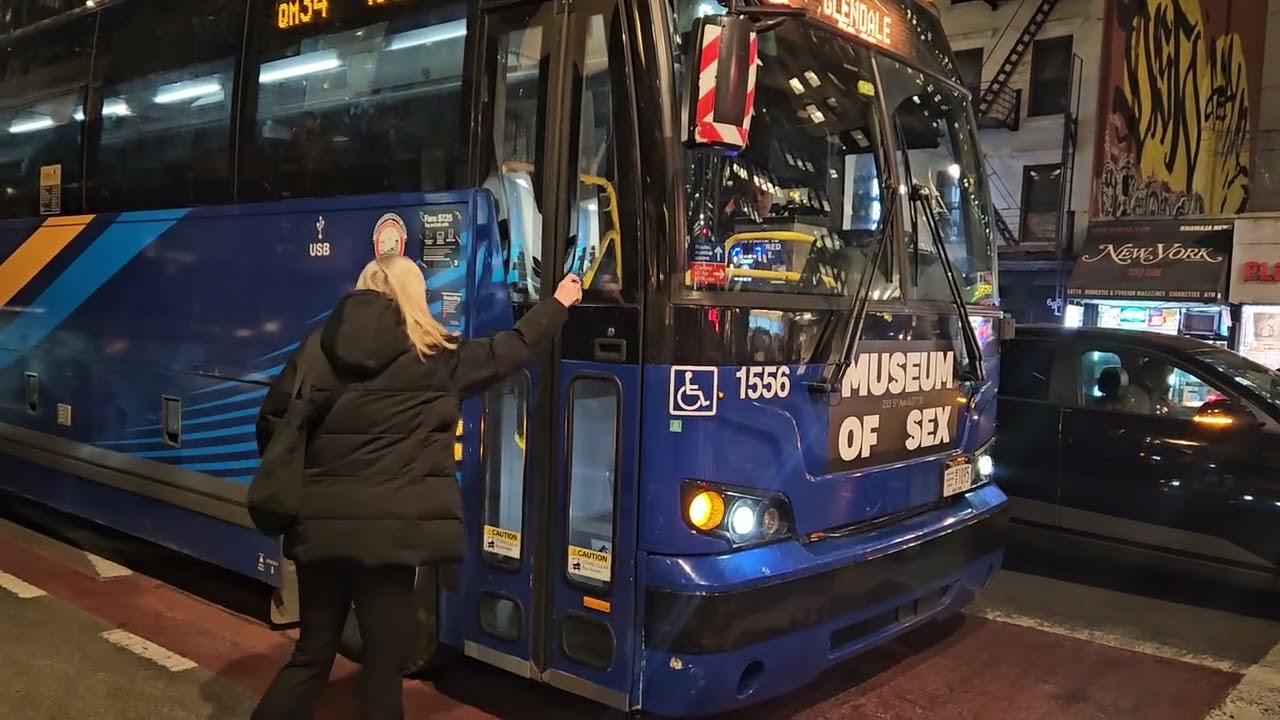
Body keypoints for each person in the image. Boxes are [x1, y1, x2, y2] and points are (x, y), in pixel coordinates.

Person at [251, 255, 582, 720]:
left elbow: (273, 424)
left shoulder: (316, 348)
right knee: (382, 668)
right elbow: (508, 349)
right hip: (390, 538)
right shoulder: (433, 356)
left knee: (311, 656)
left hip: (320, 530)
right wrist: (557, 303)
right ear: (414, 295)